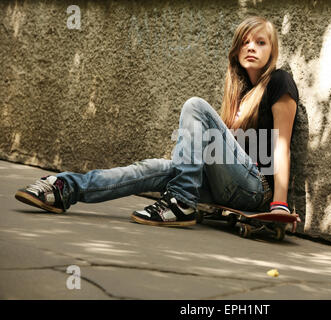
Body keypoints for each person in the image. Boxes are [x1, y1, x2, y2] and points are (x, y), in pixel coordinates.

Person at [15, 16, 299, 227]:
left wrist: (280, 205)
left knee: (195, 106)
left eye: (261, 43)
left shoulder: (279, 81)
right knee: (153, 168)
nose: (252, 47)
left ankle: (181, 202)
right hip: (224, 185)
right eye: (245, 42)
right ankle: (66, 187)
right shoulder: (237, 94)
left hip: (254, 188)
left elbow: (281, 146)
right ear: (236, 50)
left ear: (272, 52)